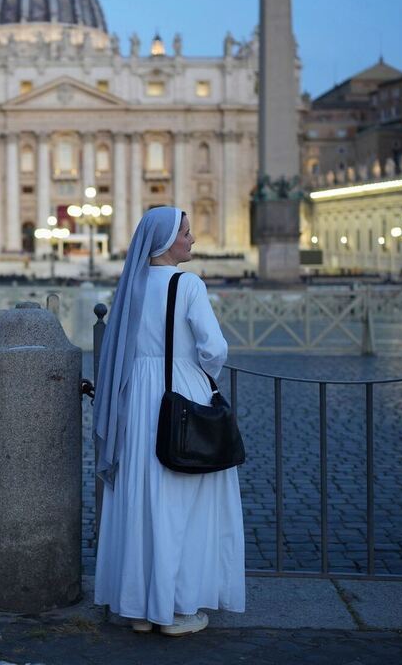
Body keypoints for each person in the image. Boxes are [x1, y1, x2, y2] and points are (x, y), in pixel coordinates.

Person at [93, 206, 245, 636]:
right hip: (180, 392)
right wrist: (199, 373)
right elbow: (213, 348)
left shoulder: (131, 285)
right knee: (184, 505)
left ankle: (139, 609)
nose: (192, 239)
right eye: (186, 232)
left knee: (140, 500)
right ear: (165, 242)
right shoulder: (188, 284)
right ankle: (177, 610)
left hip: (137, 398)